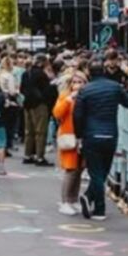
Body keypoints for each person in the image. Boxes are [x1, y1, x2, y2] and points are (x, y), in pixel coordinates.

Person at [75, 61, 128, 221]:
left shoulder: (84, 90)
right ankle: (89, 198)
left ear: (89, 72)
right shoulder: (115, 87)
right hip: (110, 134)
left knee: (95, 172)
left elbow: (78, 115)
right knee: (103, 171)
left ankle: (99, 209)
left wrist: (79, 135)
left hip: (91, 135)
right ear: (104, 71)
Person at [54, 70, 87, 216]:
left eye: (80, 82)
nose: (77, 85)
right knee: (70, 169)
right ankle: (65, 201)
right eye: (74, 82)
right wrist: (68, 100)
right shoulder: (65, 96)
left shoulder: (86, 97)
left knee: (79, 170)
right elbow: (57, 113)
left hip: (82, 136)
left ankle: (73, 199)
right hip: (69, 136)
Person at [20, 54, 53, 166]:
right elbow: (47, 91)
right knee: (40, 131)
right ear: (43, 62)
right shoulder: (41, 74)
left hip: (27, 104)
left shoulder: (26, 73)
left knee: (29, 131)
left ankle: (28, 154)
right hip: (39, 104)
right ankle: (40, 156)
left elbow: (22, 89)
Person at [0, 56, 20, 154]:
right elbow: (12, 91)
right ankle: (6, 145)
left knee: (1, 124)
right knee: (9, 124)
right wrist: (17, 91)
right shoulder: (9, 76)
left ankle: (0, 144)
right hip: (9, 100)